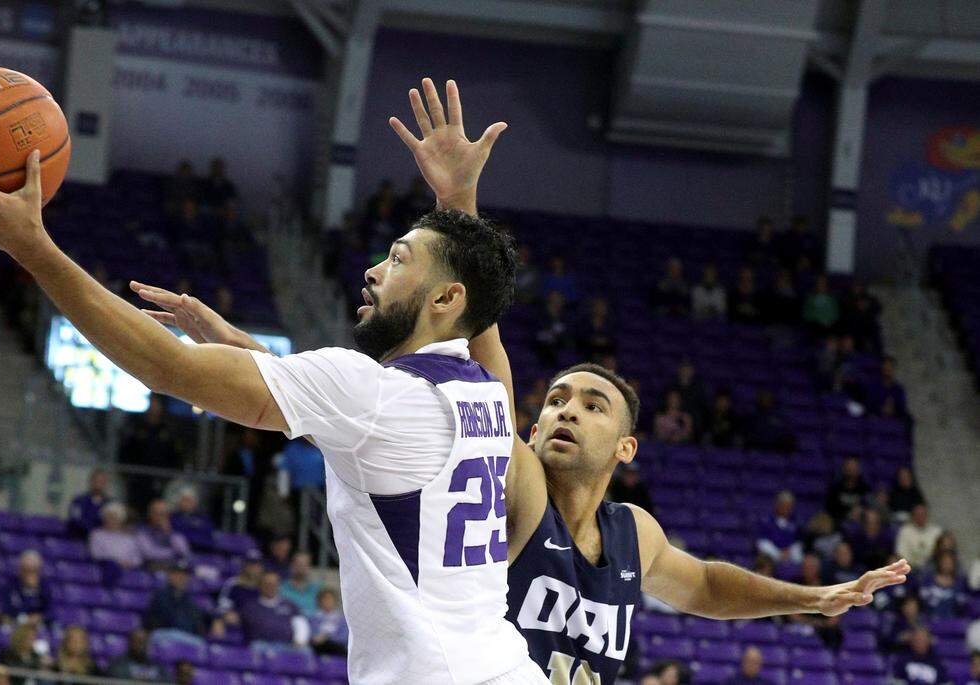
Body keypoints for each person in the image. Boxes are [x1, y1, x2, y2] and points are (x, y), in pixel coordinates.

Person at [135, 91, 912, 684]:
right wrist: (458, 207)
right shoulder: (514, 480)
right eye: (558, 399)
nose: (565, 409)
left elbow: (705, 583)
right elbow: (465, 344)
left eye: (591, 403)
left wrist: (809, 598)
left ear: (628, 445)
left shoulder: (632, 535)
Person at [143, 558, 219, 640]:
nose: (180, 577)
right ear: (170, 575)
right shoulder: (161, 595)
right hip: (164, 635)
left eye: (184, 574)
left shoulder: (187, 598)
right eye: (177, 574)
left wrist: (215, 620)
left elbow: (200, 617)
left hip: (185, 637)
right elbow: (163, 620)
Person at [237, 571, 310, 649]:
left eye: (274, 584)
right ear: (260, 585)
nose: (270, 587)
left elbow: (301, 623)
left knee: (305, 652)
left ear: (278, 585)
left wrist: (299, 640)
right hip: (260, 645)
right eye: (267, 584)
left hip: (288, 645)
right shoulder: (250, 606)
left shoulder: (290, 605)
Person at [137, 499, 191, 571]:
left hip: (175, 568)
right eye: (156, 513)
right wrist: (173, 553)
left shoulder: (174, 530)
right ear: (150, 514)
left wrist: (168, 533)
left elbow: (184, 552)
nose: (159, 517)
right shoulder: (143, 530)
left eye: (162, 513)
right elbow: (148, 553)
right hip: (152, 567)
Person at [2, 550, 52, 625]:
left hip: (37, 626)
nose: (30, 574)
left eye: (34, 570)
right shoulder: (10, 585)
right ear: (20, 569)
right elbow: (6, 608)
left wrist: (35, 590)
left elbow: (49, 612)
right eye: (27, 570)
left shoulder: (44, 588)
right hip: (14, 624)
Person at [217, 549, 265, 626]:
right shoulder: (233, 584)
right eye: (250, 564)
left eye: (257, 564)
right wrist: (226, 614)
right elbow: (223, 608)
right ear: (244, 565)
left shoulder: (264, 586)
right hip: (239, 623)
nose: (254, 568)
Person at [89, 501, 142, 570]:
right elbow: (96, 555)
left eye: (115, 518)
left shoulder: (129, 538)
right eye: (109, 517)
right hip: (105, 570)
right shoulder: (96, 535)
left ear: (121, 520)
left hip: (128, 570)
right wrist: (117, 563)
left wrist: (129, 563)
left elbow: (138, 559)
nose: (111, 520)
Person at [756, 491, 803, 564]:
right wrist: (778, 554)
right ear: (777, 505)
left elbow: (797, 542)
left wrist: (788, 552)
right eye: (783, 505)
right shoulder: (766, 520)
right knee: (763, 546)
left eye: (788, 506)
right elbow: (762, 542)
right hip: (772, 554)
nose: (786, 508)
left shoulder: (796, 522)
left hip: (789, 554)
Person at [919, 550, 968, 619]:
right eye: (944, 562)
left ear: (954, 564)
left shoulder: (960, 582)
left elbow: (963, 604)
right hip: (930, 620)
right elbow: (923, 602)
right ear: (939, 563)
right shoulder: (928, 581)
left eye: (949, 563)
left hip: (954, 621)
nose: (947, 565)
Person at [824, 456, 871, 525]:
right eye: (849, 466)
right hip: (839, 521)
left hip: (860, 522)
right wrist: (848, 514)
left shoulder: (865, 488)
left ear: (858, 469)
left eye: (854, 466)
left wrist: (861, 510)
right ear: (844, 469)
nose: (851, 469)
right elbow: (830, 509)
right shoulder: (835, 488)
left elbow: (868, 505)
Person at [895, 504, 944, 569]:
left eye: (923, 514)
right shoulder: (905, 531)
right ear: (913, 516)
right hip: (911, 568)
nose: (921, 517)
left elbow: (942, 553)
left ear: (927, 516)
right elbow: (901, 553)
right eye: (918, 515)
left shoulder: (937, 531)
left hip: (934, 569)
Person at [67, 469, 111, 536]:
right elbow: (75, 520)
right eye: (96, 481)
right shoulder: (78, 501)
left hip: (103, 540)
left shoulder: (110, 504)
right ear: (91, 482)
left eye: (101, 482)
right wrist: (91, 530)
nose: (98, 484)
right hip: (80, 538)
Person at [310, 588, 348, 656]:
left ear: (335, 601)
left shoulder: (342, 619)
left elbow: (343, 638)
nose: (327, 601)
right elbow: (312, 635)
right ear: (320, 601)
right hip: (318, 647)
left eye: (329, 599)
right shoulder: (314, 618)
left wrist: (327, 637)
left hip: (336, 647)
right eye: (324, 599)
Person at [280, 551, 320, 616]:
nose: (301, 567)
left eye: (305, 564)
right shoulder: (281, 588)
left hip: (312, 623)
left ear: (309, 567)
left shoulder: (318, 588)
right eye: (298, 564)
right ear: (291, 565)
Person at [576, 297, 615, 361]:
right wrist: (593, 341)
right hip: (587, 353)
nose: (601, 309)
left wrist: (603, 342)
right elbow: (580, 340)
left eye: (603, 306)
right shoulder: (584, 323)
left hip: (604, 353)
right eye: (598, 306)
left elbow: (612, 342)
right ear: (593, 307)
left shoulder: (610, 325)